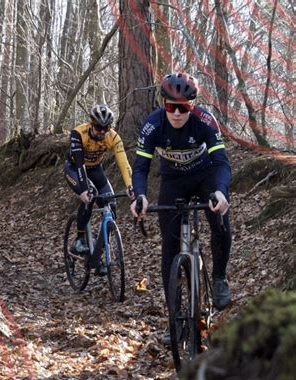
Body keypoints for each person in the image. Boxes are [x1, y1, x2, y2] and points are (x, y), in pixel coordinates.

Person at [129, 72, 232, 344]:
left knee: (220, 220)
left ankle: (219, 276)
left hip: (204, 176)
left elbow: (221, 162)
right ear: (163, 104)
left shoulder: (205, 121)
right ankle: (174, 319)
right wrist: (139, 196)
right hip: (172, 181)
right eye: (171, 106)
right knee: (169, 248)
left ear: (193, 105)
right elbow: (140, 167)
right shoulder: (153, 125)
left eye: (184, 106)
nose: (176, 113)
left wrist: (220, 192)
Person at [64, 104, 134, 275]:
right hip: (75, 168)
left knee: (111, 204)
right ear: (91, 123)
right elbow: (80, 164)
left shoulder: (113, 137)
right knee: (90, 195)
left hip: (95, 169)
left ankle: (98, 255)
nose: (102, 132)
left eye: (106, 128)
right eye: (98, 127)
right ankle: (79, 239)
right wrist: (83, 190)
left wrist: (130, 186)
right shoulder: (78, 133)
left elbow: (123, 163)